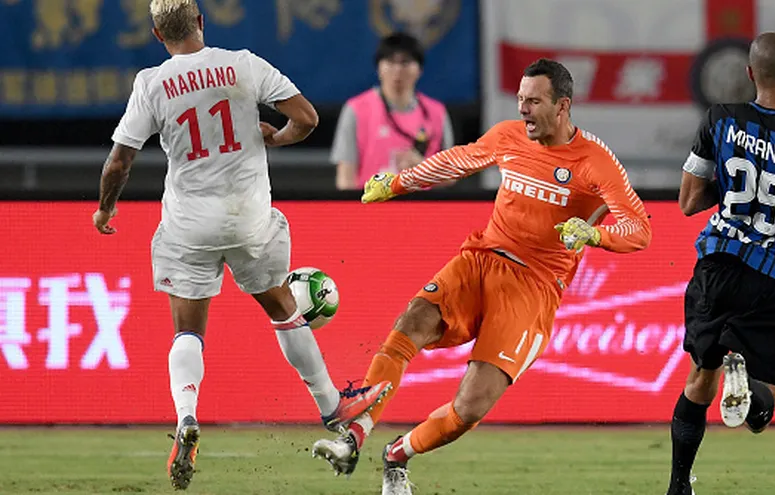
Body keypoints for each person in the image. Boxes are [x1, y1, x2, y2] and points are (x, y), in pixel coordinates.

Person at [312, 58, 653, 494]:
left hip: (534, 288)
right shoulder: (509, 136)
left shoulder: (596, 163)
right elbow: (459, 161)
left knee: (469, 407)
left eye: (534, 101)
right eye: (520, 100)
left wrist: (595, 234)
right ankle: (353, 436)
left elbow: (639, 228)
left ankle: (398, 454)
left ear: (562, 106)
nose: (524, 109)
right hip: (482, 258)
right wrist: (399, 183)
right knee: (412, 320)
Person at [91, 0, 391, 490]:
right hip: (249, 219)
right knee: (281, 307)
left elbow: (119, 163)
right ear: (202, 23)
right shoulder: (242, 63)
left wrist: (106, 207)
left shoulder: (151, 83)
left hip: (189, 225)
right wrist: (278, 139)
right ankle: (332, 407)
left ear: (155, 33)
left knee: (187, 330)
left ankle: (186, 416)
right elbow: (308, 118)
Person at [667, 32, 775, 495]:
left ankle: (679, 484)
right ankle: (742, 368)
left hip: (719, 263)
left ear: (749, 74)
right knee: (761, 414)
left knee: (699, 379)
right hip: (774, 276)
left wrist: (734, 184)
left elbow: (687, 201)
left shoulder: (719, 120)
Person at [332, 32, 454, 190]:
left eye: (405, 62)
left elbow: (451, 175)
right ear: (378, 67)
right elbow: (345, 179)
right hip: (372, 208)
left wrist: (422, 168)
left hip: (421, 209)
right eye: (390, 62)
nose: (398, 69)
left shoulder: (437, 113)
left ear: (419, 69)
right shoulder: (356, 109)